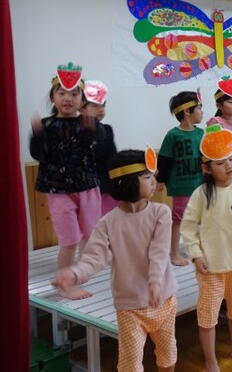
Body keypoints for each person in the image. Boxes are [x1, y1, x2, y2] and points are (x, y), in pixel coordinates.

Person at [54, 148, 178, 372]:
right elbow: (94, 257)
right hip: (129, 306)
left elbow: (159, 251)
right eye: (147, 177)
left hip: (163, 299)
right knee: (130, 365)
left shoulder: (161, 212)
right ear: (127, 182)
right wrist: (74, 273)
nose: (154, 181)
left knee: (167, 356)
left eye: (153, 176)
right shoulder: (108, 222)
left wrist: (155, 282)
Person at [180, 124, 232, 371]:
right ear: (206, 168)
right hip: (210, 268)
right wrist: (195, 255)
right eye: (220, 162)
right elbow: (188, 227)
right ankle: (210, 360)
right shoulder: (201, 194)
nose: (229, 165)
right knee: (208, 316)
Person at [30, 64, 104, 300]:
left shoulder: (87, 122)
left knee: (89, 235)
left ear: (82, 99)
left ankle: (77, 274)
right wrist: (38, 135)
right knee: (69, 240)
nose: (67, 98)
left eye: (74, 94)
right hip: (58, 190)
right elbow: (38, 154)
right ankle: (65, 283)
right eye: (61, 93)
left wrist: (92, 127)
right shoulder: (47, 125)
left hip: (87, 187)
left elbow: (100, 143)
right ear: (53, 97)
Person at [156, 90, 204, 266]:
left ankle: (200, 248)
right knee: (179, 220)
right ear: (187, 111)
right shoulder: (173, 135)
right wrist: (161, 180)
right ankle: (174, 253)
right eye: (199, 108)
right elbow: (164, 159)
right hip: (181, 186)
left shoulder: (201, 133)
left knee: (202, 217)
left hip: (200, 184)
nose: (202, 112)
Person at [80, 80, 118, 216]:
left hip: (105, 187)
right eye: (95, 105)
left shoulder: (107, 130)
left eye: (103, 105)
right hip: (83, 189)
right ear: (81, 108)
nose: (101, 109)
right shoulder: (74, 131)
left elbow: (113, 158)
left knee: (109, 221)